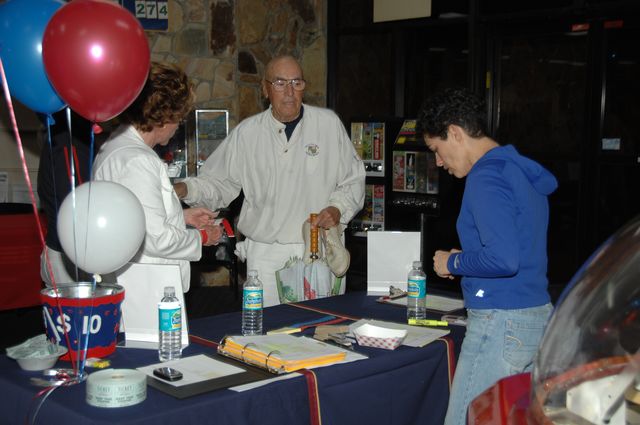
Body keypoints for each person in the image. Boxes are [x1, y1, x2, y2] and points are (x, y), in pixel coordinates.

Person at [174, 55, 365, 306]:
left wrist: (337, 208)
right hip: (266, 255)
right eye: (280, 83)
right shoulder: (247, 133)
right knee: (266, 335)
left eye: (297, 83)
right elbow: (218, 183)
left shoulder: (328, 125)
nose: (289, 92)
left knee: (321, 330)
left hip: (319, 249)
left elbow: (353, 179)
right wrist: (182, 188)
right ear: (265, 89)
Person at [417, 87, 558, 425]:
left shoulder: (486, 177)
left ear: (455, 133)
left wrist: (452, 262)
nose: (437, 161)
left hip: (501, 323)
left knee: (465, 419)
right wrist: (469, 257)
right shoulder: (516, 169)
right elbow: (516, 248)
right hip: (535, 316)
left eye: (436, 149)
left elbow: (503, 259)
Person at [92, 62, 223, 293]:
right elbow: (155, 238)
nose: (177, 128)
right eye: (179, 120)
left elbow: (133, 217)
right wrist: (202, 237)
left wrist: (181, 216)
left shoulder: (114, 146)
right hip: (148, 285)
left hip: (133, 278)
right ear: (164, 116)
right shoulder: (138, 160)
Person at [38, 109, 96, 285]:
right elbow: (74, 205)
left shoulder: (64, 138)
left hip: (65, 252)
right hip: (69, 256)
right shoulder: (70, 144)